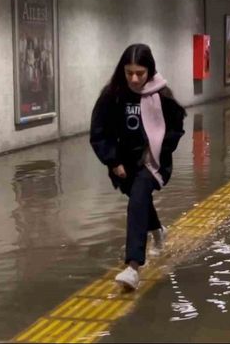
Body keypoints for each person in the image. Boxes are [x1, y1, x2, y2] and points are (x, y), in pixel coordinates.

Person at [90, 43, 186, 291]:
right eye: (129, 72)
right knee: (138, 197)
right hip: (124, 163)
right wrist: (113, 161)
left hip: (153, 162)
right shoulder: (112, 95)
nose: (134, 78)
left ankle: (133, 267)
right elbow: (99, 132)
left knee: (138, 199)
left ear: (149, 71)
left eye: (140, 73)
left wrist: (157, 152)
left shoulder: (162, 95)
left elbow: (176, 128)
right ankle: (158, 230)